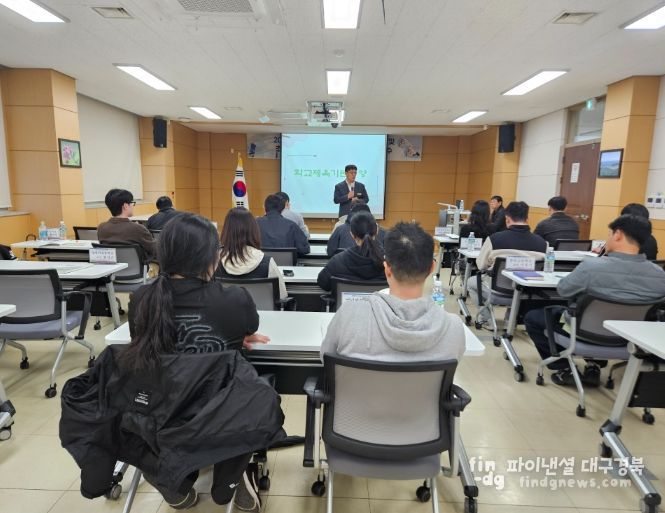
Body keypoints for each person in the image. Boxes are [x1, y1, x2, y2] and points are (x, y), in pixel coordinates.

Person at [62, 213, 284, 513]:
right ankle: (232, 474)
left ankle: (171, 482)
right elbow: (247, 326)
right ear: (210, 256)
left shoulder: (142, 299)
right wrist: (231, 336)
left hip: (161, 411)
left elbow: (145, 347)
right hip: (220, 415)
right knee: (258, 400)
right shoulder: (234, 299)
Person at [524, 214, 665, 387]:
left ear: (618, 234)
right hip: (629, 339)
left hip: (583, 333)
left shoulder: (591, 267)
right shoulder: (659, 275)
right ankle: (593, 365)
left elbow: (563, 290)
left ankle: (563, 368)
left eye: (609, 234)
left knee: (533, 317)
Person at [320, 221, 465, 363]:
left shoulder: (348, 315)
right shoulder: (454, 328)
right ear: (432, 268)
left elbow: (326, 358)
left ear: (387, 269)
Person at [217, 207, 287, 299]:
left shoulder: (214, 262)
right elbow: (282, 296)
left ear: (226, 231)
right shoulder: (266, 262)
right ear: (254, 230)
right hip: (260, 309)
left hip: (224, 308)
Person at [317, 212, 386, 291]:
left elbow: (323, 283)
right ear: (377, 231)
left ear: (352, 234)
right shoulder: (390, 263)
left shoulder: (338, 261)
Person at [476, 201, 547, 271]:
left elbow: (481, 265)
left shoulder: (493, 239)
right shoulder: (542, 243)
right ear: (527, 219)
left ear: (507, 219)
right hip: (530, 279)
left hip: (497, 279)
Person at [97, 189, 156, 260]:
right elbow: (155, 249)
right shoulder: (137, 228)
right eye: (132, 203)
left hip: (112, 266)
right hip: (137, 266)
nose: (133, 206)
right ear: (125, 206)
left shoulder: (101, 228)